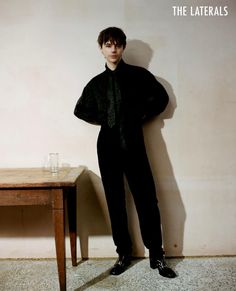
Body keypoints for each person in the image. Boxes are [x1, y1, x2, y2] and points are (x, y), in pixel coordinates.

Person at [74, 27, 177, 278]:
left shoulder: (139, 76)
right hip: (107, 147)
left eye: (117, 44)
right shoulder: (96, 84)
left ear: (123, 47)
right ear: (101, 48)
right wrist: (107, 119)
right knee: (115, 200)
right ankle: (123, 254)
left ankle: (157, 255)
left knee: (146, 198)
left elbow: (161, 99)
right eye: (108, 45)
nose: (113, 49)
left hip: (133, 144)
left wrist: (139, 115)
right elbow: (80, 109)